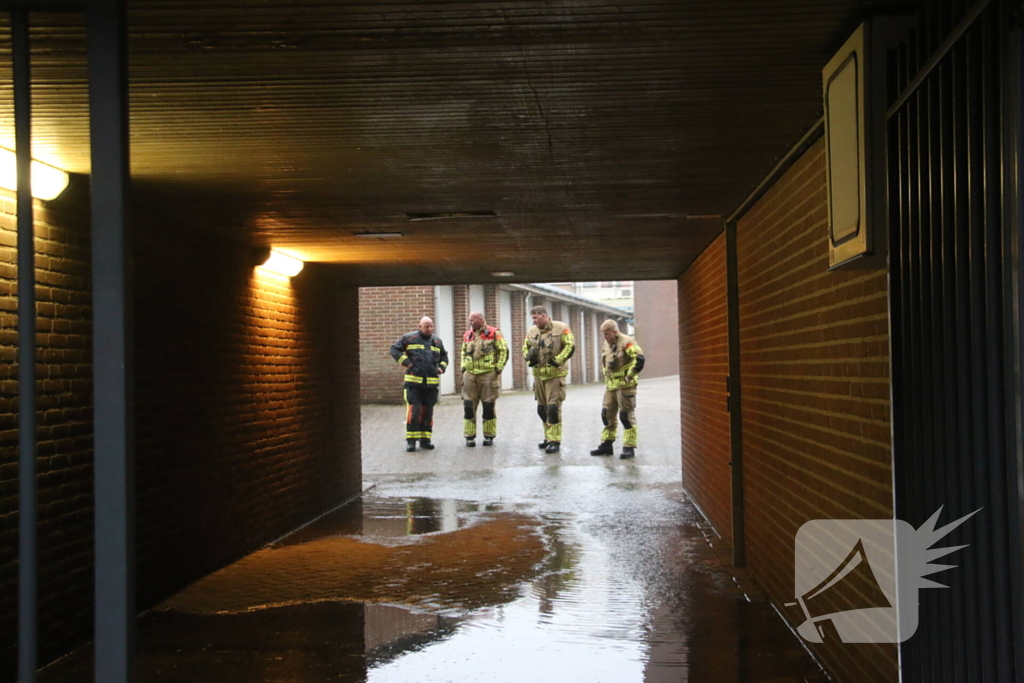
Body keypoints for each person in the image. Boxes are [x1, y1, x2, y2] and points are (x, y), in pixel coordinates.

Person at [390, 316, 449, 452]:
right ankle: (411, 441)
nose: (429, 329)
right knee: (414, 411)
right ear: (420, 326)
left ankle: (425, 440)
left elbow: (444, 357)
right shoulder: (409, 338)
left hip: (431, 385)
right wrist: (407, 363)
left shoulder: (437, 341)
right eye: (426, 326)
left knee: (428, 412)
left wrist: (441, 367)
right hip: (413, 384)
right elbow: (394, 350)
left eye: (431, 326)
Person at [522, 305, 575, 453]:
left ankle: (554, 440)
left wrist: (558, 360)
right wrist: (529, 360)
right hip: (538, 376)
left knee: (553, 408)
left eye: (536, 318)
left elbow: (570, 346)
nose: (534, 321)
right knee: (542, 410)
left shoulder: (562, 328)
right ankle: (547, 436)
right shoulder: (532, 332)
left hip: (555, 375)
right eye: (532, 318)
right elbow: (525, 347)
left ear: (544, 316)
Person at [590, 319, 645, 459]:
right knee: (606, 414)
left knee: (626, 416)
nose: (605, 337)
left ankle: (629, 447)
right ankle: (606, 444)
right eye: (603, 334)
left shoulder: (627, 341)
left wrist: (630, 375)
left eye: (607, 334)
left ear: (615, 332)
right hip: (611, 386)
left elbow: (639, 359)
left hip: (625, 386)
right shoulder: (607, 344)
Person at [460, 311, 509, 447]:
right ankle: (469, 436)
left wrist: (497, 370)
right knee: (468, 406)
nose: (470, 323)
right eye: (469, 320)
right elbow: (463, 352)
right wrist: (464, 368)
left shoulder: (494, 333)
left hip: (488, 374)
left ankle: (489, 435)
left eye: (473, 320)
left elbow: (503, 351)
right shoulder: (468, 335)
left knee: (488, 406)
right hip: (470, 375)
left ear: (481, 320)